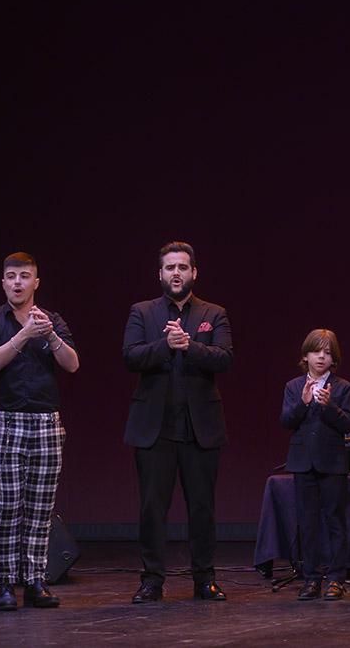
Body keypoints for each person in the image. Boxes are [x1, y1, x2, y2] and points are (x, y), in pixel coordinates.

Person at [124, 241, 233, 603]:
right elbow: (131, 356)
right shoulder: (142, 312)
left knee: (202, 507)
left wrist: (191, 347)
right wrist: (166, 345)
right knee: (152, 508)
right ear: (160, 273)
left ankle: (205, 579)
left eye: (182, 267)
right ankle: (152, 580)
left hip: (199, 427)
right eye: (170, 267)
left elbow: (224, 358)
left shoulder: (214, 313)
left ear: (193, 273)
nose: (176, 273)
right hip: (154, 428)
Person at [0, 252, 79, 611]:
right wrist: (25, 334)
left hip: (46, 421)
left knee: (40, 507)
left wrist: (49, 335)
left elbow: (72, 364)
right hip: (6, 420)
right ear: (3, 282)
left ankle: (36, 580)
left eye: (24, 276)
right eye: (11, 276)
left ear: (36, 282)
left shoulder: (51, 320)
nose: (17, 282)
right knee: (8, 506)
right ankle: (6, 582)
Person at [280, 329, 350, 601]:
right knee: (307, 522)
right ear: (306, 356)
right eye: (317, 352)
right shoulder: (293, 386)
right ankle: (311, 578)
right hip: (303, 463)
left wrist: (330, 407)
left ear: (334, 358)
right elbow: (287, 421)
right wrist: (302, 404)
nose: (322, 357)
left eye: (327, 353)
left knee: (335, 520)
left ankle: (336, 578)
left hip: (332, 462)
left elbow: (348, 424)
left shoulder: (342, 387)